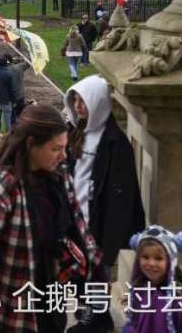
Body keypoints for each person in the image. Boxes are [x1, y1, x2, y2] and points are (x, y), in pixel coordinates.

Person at [0, 105, 103, 333]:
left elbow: (79, 228)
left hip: (49, 296)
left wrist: (93, 274)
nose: (63, 155)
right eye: (56, 148)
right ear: (30, 144)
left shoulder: (58, 176)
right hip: (13, 310)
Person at [64, 76, 146, 278]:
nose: (78, 107)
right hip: (74, 225)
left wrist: (109, 249)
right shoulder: (75, 134)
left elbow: (121, 200)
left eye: (83, 101)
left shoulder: (116, 144)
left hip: (97, 230)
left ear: (98, 102)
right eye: (75, 101)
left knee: (97, 289)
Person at [123, 226, 182, 333]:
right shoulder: (139, 293)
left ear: (170, 262)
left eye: (158, 258)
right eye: (145, 257)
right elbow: (133, 325)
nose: (151, 263)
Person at [5, 54, 32, 122]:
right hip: (21, 96)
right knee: (21, 115)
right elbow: (29, 63)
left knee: (12, 117)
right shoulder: (20, 67)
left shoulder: (4, 71)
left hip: (11, 98)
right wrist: (28, 56)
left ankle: (15, 129)